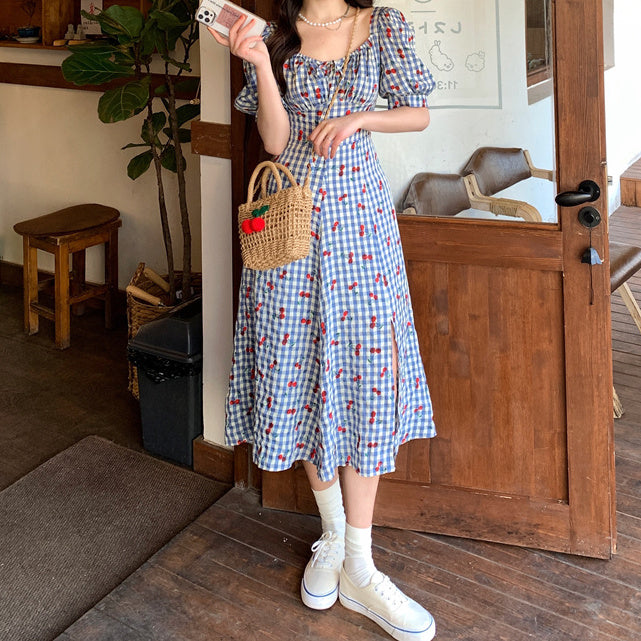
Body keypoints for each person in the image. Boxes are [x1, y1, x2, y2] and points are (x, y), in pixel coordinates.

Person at [210, 2, 436, 639]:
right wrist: (258, 62)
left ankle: (362, 566)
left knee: (365, 375)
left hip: (362, 221)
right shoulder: (277, 34)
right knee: (303, 369)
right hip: (291, 223)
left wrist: (360, 116)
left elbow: (418, 111)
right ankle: (334, 538)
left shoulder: (383, 25)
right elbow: (277, 141)